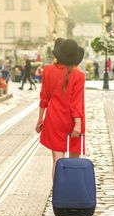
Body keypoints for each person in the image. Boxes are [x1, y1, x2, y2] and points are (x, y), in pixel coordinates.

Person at [35, 38, 86, 178]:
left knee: (57, 161)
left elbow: (44, 97)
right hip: (72, 120)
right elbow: (76, 102)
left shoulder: (48, 70)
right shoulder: (79, 75)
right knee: (74, 160)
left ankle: (58, 193)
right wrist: (77, 124)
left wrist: (40, 119)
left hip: (54, 119)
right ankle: (71, 195)